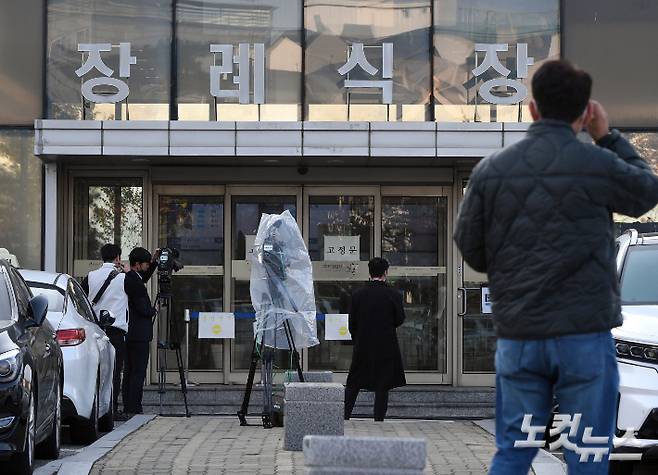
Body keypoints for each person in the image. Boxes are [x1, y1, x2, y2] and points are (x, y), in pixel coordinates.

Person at [454, 60, 658, 474]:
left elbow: (470, 248)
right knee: (587, 452)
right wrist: (608, 137)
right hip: (584, 336)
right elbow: (645, 193)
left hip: (521, 336)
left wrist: (510, 267)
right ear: (585, 114)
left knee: (514, 451)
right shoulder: (596, 165)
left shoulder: (492, 171)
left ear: (532, 108)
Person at [344, 257, 406, 422]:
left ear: (370, 273)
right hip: (386, 343)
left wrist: (357, 338)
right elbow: (399, 319)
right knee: (382, 383)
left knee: (354, 381)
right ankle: (378, 419)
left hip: (363, 343)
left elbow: (352, 323)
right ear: (385, 273)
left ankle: (344, 415)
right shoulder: (393, 294)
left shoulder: (357, 295)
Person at [82, 243, 128, 415]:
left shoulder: (90, 276)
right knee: (114, 372)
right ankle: (112, 409)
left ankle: (95, 408)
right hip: (116, 331)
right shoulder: (124, 278)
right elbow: (138, 292)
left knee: (97, 372)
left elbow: (84, 300)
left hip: (95, 330)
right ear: (117, 258)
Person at [123, 247, 158, 415]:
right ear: (137, 264)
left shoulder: (131, 277)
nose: (147, 266)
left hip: (131, 333)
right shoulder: (134, 282)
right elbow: (142, 308)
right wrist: (154, 310)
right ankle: (134, 407)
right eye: (145, 264)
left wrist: (155, 260)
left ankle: (130, 405)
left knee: (130, 371)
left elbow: (145, 276)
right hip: (139, 334)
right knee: (137, 372)